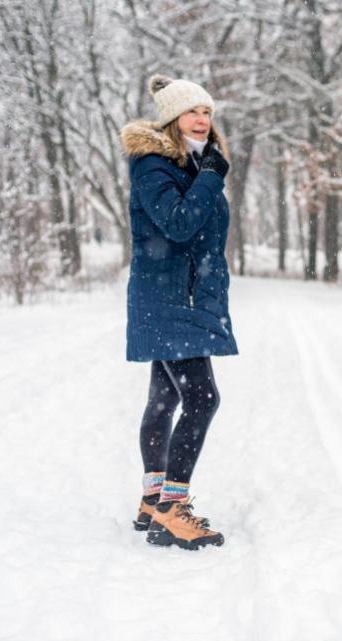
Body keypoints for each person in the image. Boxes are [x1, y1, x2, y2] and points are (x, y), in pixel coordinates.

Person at [119, 74, 238, 550]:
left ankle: (153, 500)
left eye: (208, 112)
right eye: (193, 111)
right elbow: (180, 223)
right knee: (203, 399)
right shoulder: (154, 166)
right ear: (172, 119)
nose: (203, 119)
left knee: (167, 399)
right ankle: (173, 509)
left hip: (178, 298)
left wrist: (206, 173)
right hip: (169, 300)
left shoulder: (191, 165)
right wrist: (211, 176)